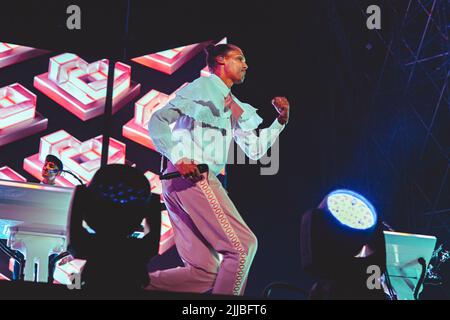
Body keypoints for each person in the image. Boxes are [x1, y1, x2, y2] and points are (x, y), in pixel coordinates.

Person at [147, 43, 290, 295]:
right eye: (239, 58)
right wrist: (180, 157)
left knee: (204, 272)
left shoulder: (230, 102)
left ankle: (128, 283)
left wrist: (279, 122)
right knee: (243, 247)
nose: (246, 65)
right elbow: (157, 120)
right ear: (221, 61)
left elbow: (254, 149)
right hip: (192, 177)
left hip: (180, 183)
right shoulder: (201, 87)